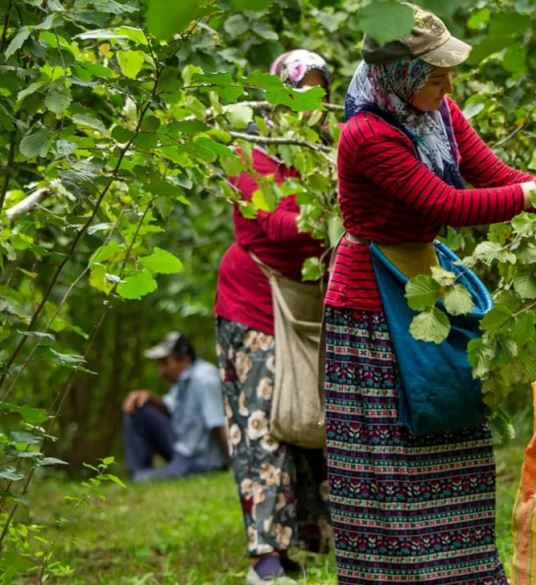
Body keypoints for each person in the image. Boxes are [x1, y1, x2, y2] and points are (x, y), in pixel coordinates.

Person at [323, 5, 536, 584]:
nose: (448, 83)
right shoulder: (367, 135)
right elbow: (448, 205)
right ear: (398, 72)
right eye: (436, 72)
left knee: (453, 424)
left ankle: (464, 572)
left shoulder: (439, 112)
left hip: (427, 281)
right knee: (396, 451)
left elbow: (493, 176)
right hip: (372, 302)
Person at [215, 49, 332, 585]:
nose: (308, 103)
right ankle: (264, 562)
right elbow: (279, 226)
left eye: (318, 91)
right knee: (261, 425)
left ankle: (309, 541)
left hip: (309, 307)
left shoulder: (325, 151)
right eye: (297, 91)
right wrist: (334, 210)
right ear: (277, 96)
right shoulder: (252, 154)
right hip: (252, 305)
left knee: (309, 417)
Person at [122, 332, 228, 482]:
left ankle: (141, 478)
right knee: (138, 410)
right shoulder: (183, 381)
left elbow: (220, 424)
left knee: (143, 479)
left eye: (165, 363)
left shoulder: (205, 379)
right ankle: (138, 474)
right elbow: (169, 407)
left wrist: (235, 467)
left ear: (184, 359)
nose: (161, 371)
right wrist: (149, 397)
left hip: (199, 461)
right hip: (181, 449)